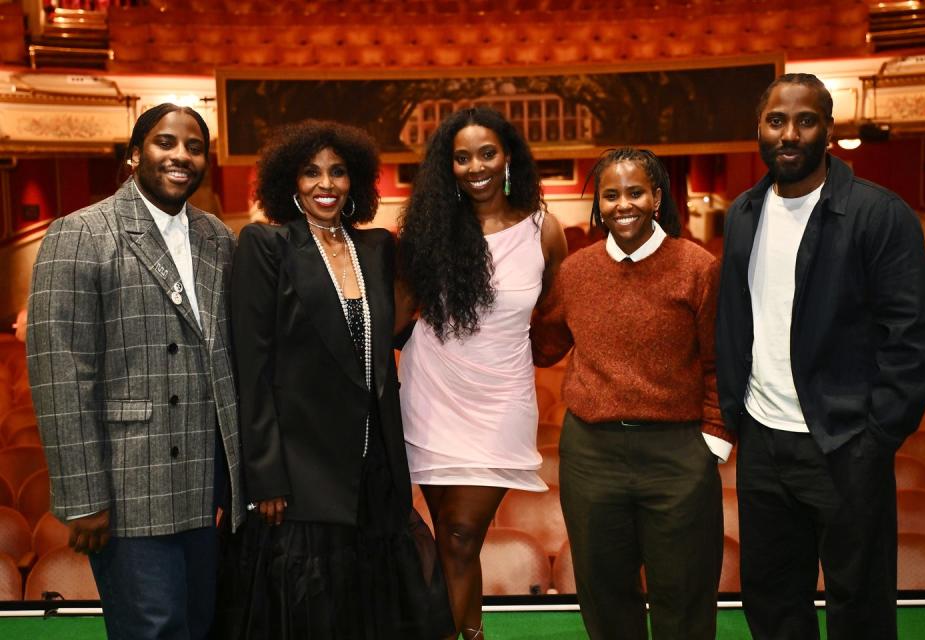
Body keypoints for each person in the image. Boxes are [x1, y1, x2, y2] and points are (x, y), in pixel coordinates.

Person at [715, 73, 925, 639]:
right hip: (764, 443)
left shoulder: (878, 214)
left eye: (805, 120)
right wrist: (735, 414)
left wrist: (874, 439)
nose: (789, 134)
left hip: (844, 445)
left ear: (828, 131)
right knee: (771, 601)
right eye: (776, 121)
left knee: (859, 604)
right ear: (758, 131)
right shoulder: (744, 212)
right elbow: (737, 319)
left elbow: (911, 339)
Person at [219, 120, 451, 639]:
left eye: (338, 172)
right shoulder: (265, 245)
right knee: (310, 616)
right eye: (311, 172)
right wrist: (266, 476)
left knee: (370, 615)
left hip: (374, 467)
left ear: (357, 181)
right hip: (302, 472)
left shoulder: (376, 247)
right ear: (289, 182)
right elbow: (252, 371)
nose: (326, 184)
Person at [26, 103, 243, 638]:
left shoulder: (218, 238)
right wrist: (84, 499)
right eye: (165, 143)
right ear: (133, 154)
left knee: (201, 626)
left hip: (205, 481)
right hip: (129, 486)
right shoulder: (81, 232)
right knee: (153, 629)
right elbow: (60, 373)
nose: (181, 156)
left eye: (194, 147)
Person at [532, 148, 733, 639]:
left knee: (684, 595)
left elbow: (720, 362)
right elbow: (543, 347)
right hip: (592, 455)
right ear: (599, 204)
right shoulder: (577, 272)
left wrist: (712, 439)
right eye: (611, 194)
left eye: (636, 192)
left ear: (657, 197)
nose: (624, 204)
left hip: (677, 454)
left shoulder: (696, 267)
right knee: (604, 595)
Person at [396, 106, 567, 639]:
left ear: (508, 156)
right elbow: (399, 313)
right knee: (451, 535)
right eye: (461, 157)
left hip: (500, 399)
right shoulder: (427, 230)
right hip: (431, 390)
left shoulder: (544, 230)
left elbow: (557, 319)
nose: (476, 167)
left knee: (462, 531)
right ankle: (467, 634)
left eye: (486, 153)